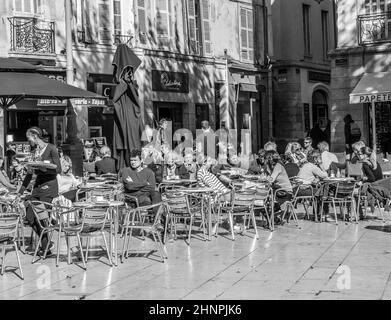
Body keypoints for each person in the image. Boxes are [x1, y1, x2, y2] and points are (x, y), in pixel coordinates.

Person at [20, 127, 62, 254]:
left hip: (48, 186)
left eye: (29, 139)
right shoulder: (33, 152)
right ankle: (47, 244)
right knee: (30, 215)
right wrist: (21, 191)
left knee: (42, 217)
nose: (29, 142)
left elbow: (58, 169)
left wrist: (44, 169)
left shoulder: (51, 148)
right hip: (37, 187)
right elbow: (29, 174)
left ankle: (45, 246)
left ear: (35, 136)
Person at [264, 150, 293, 222]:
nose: (265, 161)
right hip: (278, 190)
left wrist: (265, 176)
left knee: (265, 197)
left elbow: (271, 180)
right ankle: (271, 215)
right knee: (265, 195)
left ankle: (273, 214)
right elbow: (265, 178)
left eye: (266, 159)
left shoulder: (278, 166)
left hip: (285, 192)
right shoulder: (271, 167)